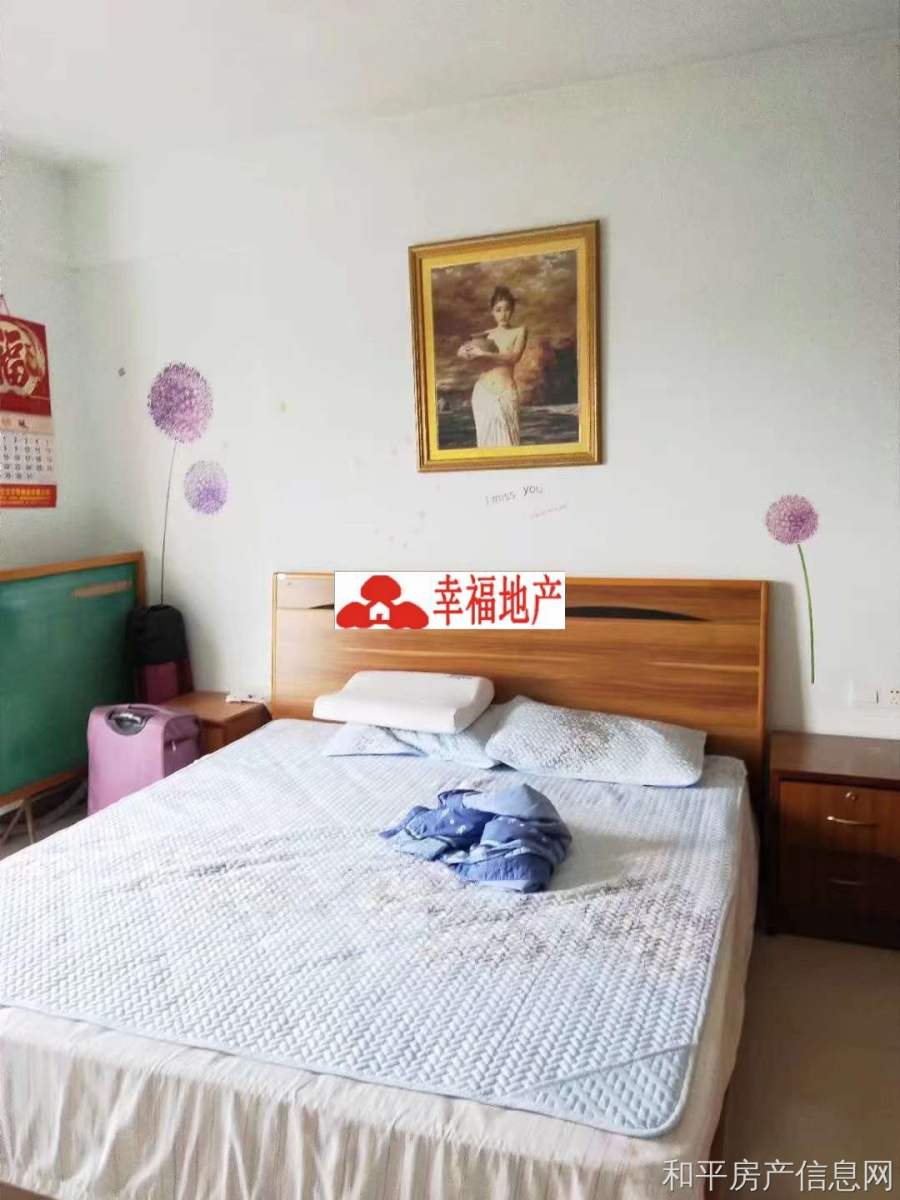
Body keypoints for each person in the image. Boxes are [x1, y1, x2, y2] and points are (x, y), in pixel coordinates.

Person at [457, 285, 527, 447]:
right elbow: (463, 351)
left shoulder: (520, 331)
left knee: (510, 444)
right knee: (486, 446)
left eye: (507, 309)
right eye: (498, 310)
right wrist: (464, 352)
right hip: (483, 394)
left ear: (512, 310)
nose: (503, 314)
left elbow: (514, 357)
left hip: (506, 393)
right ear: (492, 312)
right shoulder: (487, 334)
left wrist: (484, 354)